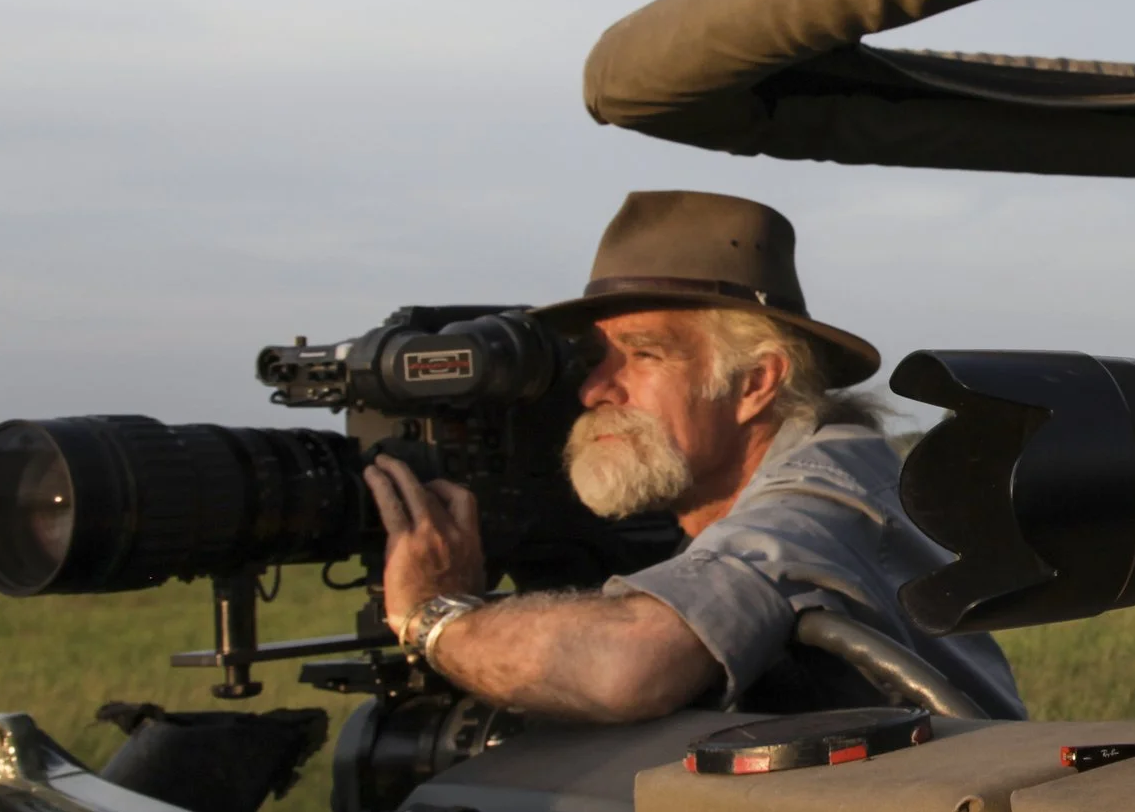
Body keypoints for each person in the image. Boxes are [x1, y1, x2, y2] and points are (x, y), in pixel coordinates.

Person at [361, 189, 1024, 725]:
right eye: (595, 360)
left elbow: (628, 666)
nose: (594, 390)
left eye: (644, 354)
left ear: (754, 383)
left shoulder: (823, 495)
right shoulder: (779, 482)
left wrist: (435, 616)